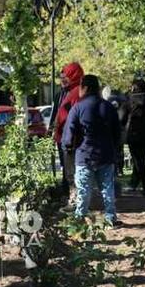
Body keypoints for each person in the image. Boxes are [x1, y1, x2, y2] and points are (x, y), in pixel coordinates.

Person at [61, 74, 122, 226]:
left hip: (84, 155)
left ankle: (80, 218)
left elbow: (69, 133)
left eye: (80, 87)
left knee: (83, 190)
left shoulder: (78, 108)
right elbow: (117, 133)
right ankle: (110, 217)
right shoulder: (108, 107)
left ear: (85, 88)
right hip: (106, 155)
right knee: (107, 189)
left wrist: (67, 147)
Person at [52, 62, 85, 196]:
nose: (62, 80)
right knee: (66, 167)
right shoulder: (60, 94)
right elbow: (56, 113)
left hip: (73, 137)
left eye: (66, 77)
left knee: (72, 169)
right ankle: (66, 192)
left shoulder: (79, 92)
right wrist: (52, 130)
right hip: (62, 136)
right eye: (61, 77)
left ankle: (74, 197)